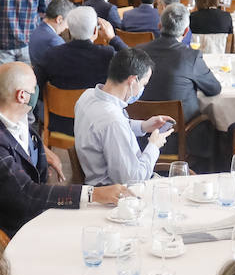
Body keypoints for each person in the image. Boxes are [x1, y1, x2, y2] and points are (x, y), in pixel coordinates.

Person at [0, 62, 126, 236]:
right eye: (34, 86)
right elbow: (25, 195)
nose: (37, 90)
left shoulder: (11, 113)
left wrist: (41, 151)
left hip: (24, 213)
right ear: (22, 96)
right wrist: (93, 194)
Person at [135, 4, 221, 169]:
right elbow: (214, 89)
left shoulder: (138, 52)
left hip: (141, 135)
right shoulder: (191, 57)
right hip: (181, 137)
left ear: (159, 26)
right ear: (186, 31)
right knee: (214, 126)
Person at [74, 49, 174, 185]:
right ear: (132, 81)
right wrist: (154, 146)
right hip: (118, 193)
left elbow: (103, 131)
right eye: (143, 84)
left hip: (96, 179)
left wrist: (143, 126)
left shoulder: (88, 96)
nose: (142, 89)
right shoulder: (113, 121)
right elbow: (132, 180)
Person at [28, 0, 74, 69]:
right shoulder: (54, 40)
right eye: (67, 22)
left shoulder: (36, 30)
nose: (67, 27)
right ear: (59, 19)